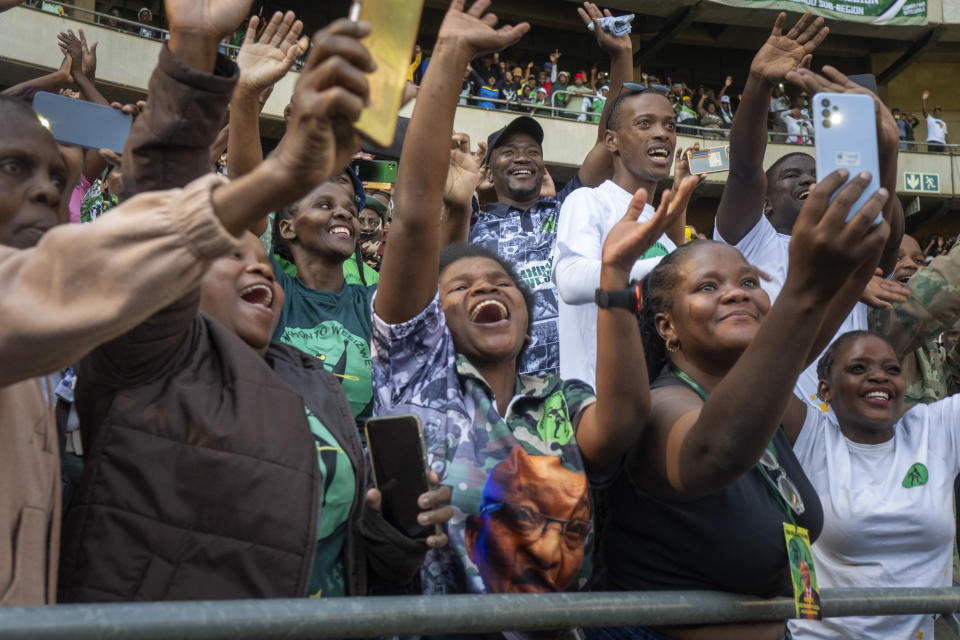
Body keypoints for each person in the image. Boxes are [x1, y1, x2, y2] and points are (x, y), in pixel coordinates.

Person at [58, 8, 449, 602]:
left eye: (259, 254)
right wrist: (201, 53)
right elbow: (162, 205)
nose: (257, 262)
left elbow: (351, 552)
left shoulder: (314, 383)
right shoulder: (146, 364)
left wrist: (395, 526)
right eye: (230, 252)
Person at [373, 0, 674, 616]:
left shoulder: (562, 404)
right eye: (461, 287)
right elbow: (414, 216)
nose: (487, 288)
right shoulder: (418, 375)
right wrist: (451, 58)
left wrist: (622, 61)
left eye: (503, 282)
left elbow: (611, 140)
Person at [588, 166, 891, 640]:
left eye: (750, 282)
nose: (736, 292)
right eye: (708, 287)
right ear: (666, 326)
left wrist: (880, 162)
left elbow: (832, 297)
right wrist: (804, 287)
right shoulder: (663, 404)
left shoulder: (762, 395)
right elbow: (715, 452)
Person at [712, 12, 904, 407]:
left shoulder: (844, 246)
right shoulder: (752, 242)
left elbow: (883, 218)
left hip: (847, 425)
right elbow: (745, 168)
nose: (806, 180)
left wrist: (885, 149)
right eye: (791, 175)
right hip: (774, 419)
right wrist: (759, 83)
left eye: (814, 173)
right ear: (765, 201)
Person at [459, 1, 635, 378]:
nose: (523, 158)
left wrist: (621, 57)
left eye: (532, 152)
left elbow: (609, 143)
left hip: (581, 388)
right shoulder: (470, 225)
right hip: (508, 394)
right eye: (509, 152)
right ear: (489, 169)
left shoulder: (569, 208)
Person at [788, 331, 960, 640]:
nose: (879, 377)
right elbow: (765, 376)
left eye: (892, 369)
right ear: (825, 390)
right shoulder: (809, 437)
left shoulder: (935, 430)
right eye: (858, 368)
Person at [553, 83, 700, 387]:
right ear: (612, 141)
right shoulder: (589, 201)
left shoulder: (654, 218)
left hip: (652, 397)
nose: (663, 133)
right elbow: (568, 280)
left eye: (670, 125)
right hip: (595, 402)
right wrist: (665, 268)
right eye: (645, 123)